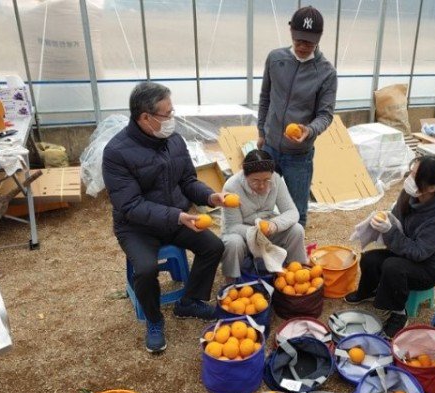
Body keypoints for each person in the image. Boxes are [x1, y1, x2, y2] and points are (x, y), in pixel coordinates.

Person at [102, 81, 226, 354]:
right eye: (167, 114)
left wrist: (208, 196)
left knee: (214, 246)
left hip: (174, 218)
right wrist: (177, 216)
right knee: (146, 269)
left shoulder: (174, 140)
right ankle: (154, 320)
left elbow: (188, 180)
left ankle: (189, 301)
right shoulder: (116, 153)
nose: (172, 119)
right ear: (145, 118)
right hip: (136, 227)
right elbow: (131, 205)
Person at [345, 156, 435, 339]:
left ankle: (399, 314)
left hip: (429, 267)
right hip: (405, 252)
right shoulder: (410, 194)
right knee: (369, 259)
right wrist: (384, 220)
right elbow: (396, 220)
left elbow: (419, 253)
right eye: (411, 172)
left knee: (393, 267)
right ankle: (369, 291)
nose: (409, 178)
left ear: (432, 188)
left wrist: (389, 231)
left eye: (415, 176)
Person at [257, 5, 337, 227]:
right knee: (262, 206)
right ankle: (264, 251)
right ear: (291, 33)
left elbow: (325, 115)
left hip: (299, 156)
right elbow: (265, 98)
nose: (303, 46)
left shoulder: (326, 72)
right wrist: (261, 131)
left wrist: (309, 130)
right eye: (299, 40)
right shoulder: (275, 59)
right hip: (270, 148)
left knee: (297, 211)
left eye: (309, 42)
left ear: (319, 38)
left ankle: (295, 258)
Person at [221, 150, 307, 281]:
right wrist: (255, 232)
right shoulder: (232, 186)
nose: (261, 185)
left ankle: (294, 275)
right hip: (243, 234)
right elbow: (232, 226)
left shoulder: (276, 180)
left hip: (267, 229)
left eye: (267, 180)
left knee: (297, 229)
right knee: (233, 242)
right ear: (245, 175)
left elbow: (292, 212)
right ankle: (231, 282)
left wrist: (274, 225)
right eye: (255, 181)